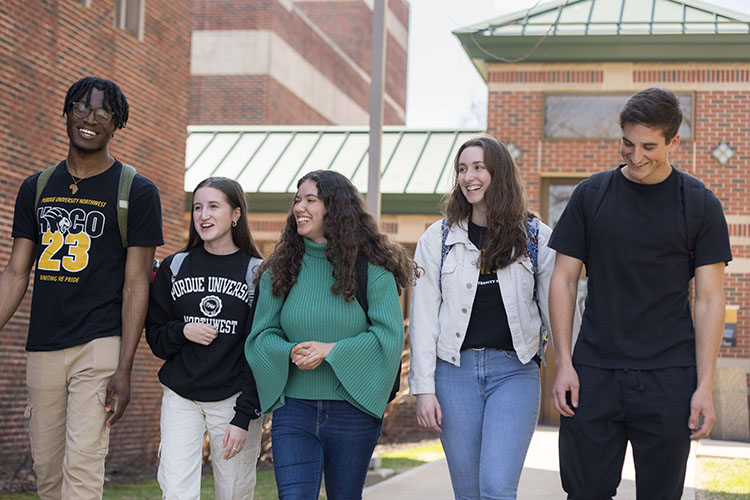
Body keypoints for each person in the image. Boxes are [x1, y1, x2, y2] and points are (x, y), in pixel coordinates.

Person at [549, 87, 732, 499]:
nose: (636, 157)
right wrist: (564, 362)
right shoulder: (590, 196)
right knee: (584, 493)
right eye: (628, 144)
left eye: (649, 146)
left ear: (674, 142)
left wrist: (704, 385)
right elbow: (562, 278)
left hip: (669, 376)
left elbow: (709, 299)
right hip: (595, 373)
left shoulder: (700, 205)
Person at [0, 76, 163, 499]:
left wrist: (125, 367)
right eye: (82, 108)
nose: (90, 119)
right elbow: (17, 273)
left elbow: (135, 285)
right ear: (67, 112)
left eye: (103, 112)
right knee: (48, 471)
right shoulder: (36, 187)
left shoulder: (137, 191)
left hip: (99, 345)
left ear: (116, 124)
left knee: (84, 464)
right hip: (44, 344)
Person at [245, 169, 411, 500]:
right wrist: (289, 351)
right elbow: (261, 336)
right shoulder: (281, 269)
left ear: (334, 208)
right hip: (295, 410)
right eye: (297, 200)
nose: (299, 208)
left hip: (354, 411)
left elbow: (388, 338)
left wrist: (330, 350)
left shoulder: (372, 269)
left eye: (311, 200)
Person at [409, 135, 558, 500]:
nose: (468, 177)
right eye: (462, 169)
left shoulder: (536, 238)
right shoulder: (437, 239)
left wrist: (574, 369)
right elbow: (424, 318)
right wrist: (424, 389)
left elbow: (558, 313)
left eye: (478, 167)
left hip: (514, 373)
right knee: (469, 492)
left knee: (495, 486)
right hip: (453, 376)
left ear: (499, 173)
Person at [146, 177, 264, 500]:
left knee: (234, 492)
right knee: (175, 490)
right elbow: (156, 337)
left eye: (214, 206)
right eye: (198, 207)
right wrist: (183, 330)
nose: (203, 215)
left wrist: (245, 414)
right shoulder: (176, 266)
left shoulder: (257, 273)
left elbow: (260, 352)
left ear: (236, 214)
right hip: (182, 396)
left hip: (232, 399)